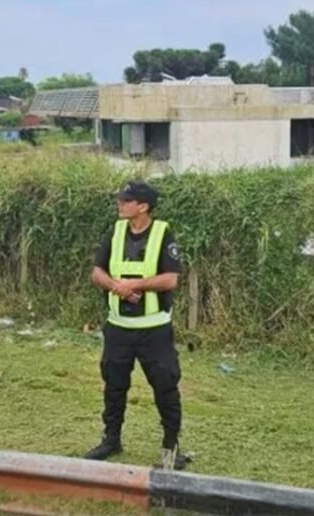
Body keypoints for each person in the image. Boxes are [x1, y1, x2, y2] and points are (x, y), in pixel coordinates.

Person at [84, 180, 188, 469]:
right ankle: (111, 440)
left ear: (143, 206)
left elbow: (170, 279)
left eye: (126, 200)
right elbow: (97, 272)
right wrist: (117, 286)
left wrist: (136, 284)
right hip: (118, 328)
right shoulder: (116, 231)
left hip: (153, 330)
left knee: (165, 386)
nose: (120, 203)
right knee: (113, 386)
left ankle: (171, 448)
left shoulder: (163, 234)